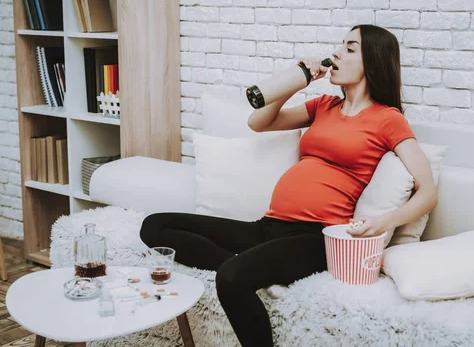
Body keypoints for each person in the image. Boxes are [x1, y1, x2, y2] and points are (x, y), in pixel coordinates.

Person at [139, 24, 438, 347]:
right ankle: (246, 260)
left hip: (315, 237)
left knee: (231, 278)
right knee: (154, 226)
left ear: (374, 63)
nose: (337, 52)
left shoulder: (388, 119)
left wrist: (384, 221)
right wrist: (297, 79)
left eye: (350, 49)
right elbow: (258, 122)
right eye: (340, 45)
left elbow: (427, 192)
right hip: (268, 227)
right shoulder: (324, 106)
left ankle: (241, 265)